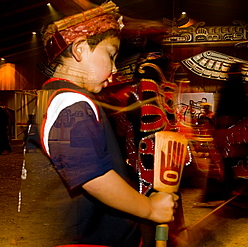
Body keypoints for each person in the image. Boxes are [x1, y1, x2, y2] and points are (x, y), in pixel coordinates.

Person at [17, 2, 178, 247]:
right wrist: (149, 209)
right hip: (88, 240)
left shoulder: (51, 97)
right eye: (111, 55)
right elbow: (94, 177)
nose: (114, 69)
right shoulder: (71, 103)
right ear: (80, 49)